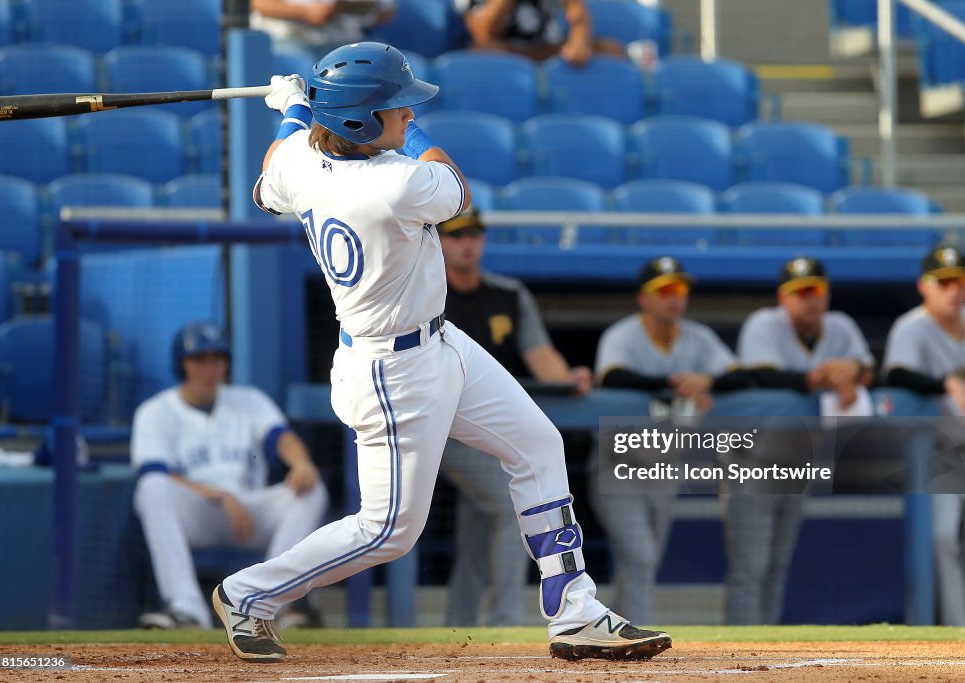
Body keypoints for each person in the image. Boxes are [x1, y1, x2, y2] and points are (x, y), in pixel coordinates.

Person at [210, 42, 672, 663]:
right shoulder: (396, 184)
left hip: (440, 339)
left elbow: (272, 180)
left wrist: (294, 111)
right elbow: (456, 187)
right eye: (396, 108)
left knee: (538, 444)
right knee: (388, 532)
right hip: (391, 370)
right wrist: (315, 109)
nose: (406, 116)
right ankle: (248, 594)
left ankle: (575, 611)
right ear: (361, 121)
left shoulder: (305, 164)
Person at [437, 207, 591, 627]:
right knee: (507, 508)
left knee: (478, 526)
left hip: (495, 426)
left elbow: (540, 355)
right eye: (455, 235)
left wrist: (567, 377)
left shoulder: (507, 294)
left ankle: (459, 626)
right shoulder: (428, 291)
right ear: (439, 241)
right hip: (446, 426)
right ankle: (506, 620)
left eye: (473, 234)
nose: (466, 243)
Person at [132, 322, 328, 629]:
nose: (210, 369)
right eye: (199, 360)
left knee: (311, 490)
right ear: (181, 364)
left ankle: (269, 603)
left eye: (217, 359)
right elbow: (155, 471)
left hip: (250, 514)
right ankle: (187, 610)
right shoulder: (154, 412)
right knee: (151, 488)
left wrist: (302, 464)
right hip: (197, 513)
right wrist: (221, 496)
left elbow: (280, 437)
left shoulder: (249, 400)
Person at [591, 256, 750, 626]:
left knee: (642, 565)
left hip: (663, 467)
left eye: (679, 289)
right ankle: (637, 636)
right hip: (619, 465)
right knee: (642, 558)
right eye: (663, 290)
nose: (673, 297)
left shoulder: (699, 337)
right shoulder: (623, 335)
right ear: (643, 298)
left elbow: (740, 377)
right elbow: (612, 378)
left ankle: (610, 629)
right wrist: (675, 384)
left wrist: (707, 380)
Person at [729, 256, 874, 625]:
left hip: (795, 467)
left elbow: (870, 368)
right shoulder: (764, 324)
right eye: (800, 292)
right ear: (784, 297)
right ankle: (738, 654)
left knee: (777, 566)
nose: (810, 299)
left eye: (816, 291)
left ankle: (762, 654)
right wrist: (825, 376)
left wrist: (853, 370)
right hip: (751, 465)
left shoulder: (840, 327)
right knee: (751, 570)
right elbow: (761, 376)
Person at [883, 245, 965, 626]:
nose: (954, 290)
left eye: (960, 282)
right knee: (941, 539)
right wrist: (946, 383)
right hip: (943, 451)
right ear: (925, 285)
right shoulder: (912, 327)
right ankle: (957, 634)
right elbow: (896, 375)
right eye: (945, 282)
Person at [455, 0, 624, 66]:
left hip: (548, 50)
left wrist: (579, 42)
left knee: (611, 49)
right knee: (482, 49)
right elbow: (483, 32)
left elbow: (577, 13)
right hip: (508, 54)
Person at [251, 0, 396, 56]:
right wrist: (305, 13)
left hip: (346, 41)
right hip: (287, 39)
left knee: (400, 64)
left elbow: (386, 12)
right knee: (304, 71)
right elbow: (258, 4)